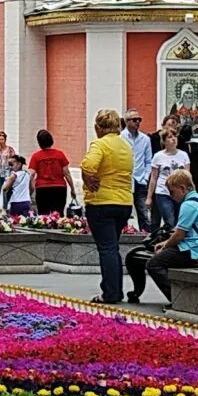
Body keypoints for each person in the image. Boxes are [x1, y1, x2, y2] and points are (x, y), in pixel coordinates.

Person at [126, 170, 198, 303]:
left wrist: (165, 245)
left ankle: (177, 300)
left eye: (172, 192)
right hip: (196, 246)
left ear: (182, 188)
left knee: (153, 264)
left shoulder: (188, 205)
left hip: (193, 249)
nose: (171, 196)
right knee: (142, 256)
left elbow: (180, 234)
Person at [80, 109, 134, 304]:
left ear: (98, 127)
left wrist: (88, 178)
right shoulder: (125, 146)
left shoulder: (100, 144)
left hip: (101, 202)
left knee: (107, 248)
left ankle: (110, 293)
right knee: (113, 247)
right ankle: (115, 290)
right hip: (124, 202)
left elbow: (88, 165)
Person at [147, 127, 191, 230]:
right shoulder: (158, 156)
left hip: (180, 193)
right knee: (170, 221)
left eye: (175, 136)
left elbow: (188, 176)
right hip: (163, 192)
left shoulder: (183, 155)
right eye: (170, 137)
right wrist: (149, 197)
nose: (174, 139)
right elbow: (153, 178)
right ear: (164, 140)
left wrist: (190, 192)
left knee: (180, 221)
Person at [28, 130, 76, 217]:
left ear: (39, 142)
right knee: (58, 213)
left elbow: (31, 174)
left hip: (42, 188)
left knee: (43, 215)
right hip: (59, 188)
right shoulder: (60, 154)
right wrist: (73, 189)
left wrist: (29, 190)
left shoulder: (36, 156)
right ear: (51, 140)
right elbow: (67, 173)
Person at [121, 112, 154, 232]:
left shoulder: (145, 139)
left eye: (139, 119)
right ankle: (124, 234)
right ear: (126, 121)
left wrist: (145, 178)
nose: (137, 122)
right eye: (134, 120)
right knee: (124, 212)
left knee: (143, 212)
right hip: (125, 180)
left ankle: (145, 236)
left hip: (140, 180)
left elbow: (149, 161)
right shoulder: (120, 138)